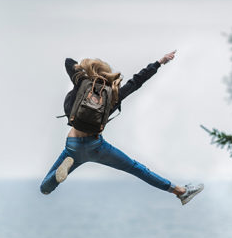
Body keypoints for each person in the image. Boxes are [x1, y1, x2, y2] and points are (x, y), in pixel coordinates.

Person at [40, 50, 203, 205]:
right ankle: (181, 192)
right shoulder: (113, 95)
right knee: (137, 169)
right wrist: (159, 62)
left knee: (45, 188)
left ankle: (57, 176)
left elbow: (69, 62)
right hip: (96, 147)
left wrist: (84, 72)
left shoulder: (82, 83)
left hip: (73, 145)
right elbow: (137, 81)